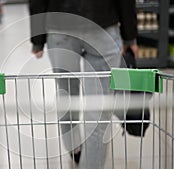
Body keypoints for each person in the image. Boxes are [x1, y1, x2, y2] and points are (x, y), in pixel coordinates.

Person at [29, 0, 138, 168]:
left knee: (67, 95)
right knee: (98, 107)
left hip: (60, 27)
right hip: (103, 26)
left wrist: (38, 39)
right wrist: (129, 36)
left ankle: (75, 150)